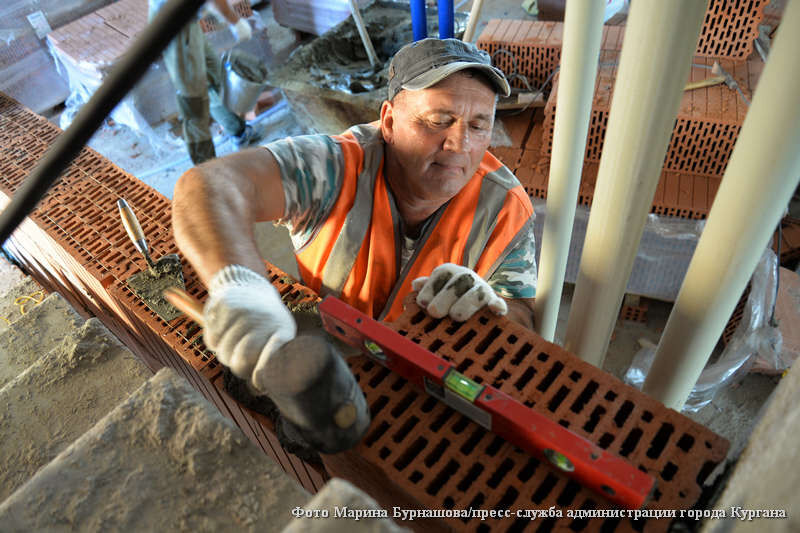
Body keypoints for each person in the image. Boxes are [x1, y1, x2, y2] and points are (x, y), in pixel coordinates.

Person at [172, 38, 537, 390]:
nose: (461, 145)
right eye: (439, 120)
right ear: (389, 123)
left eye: (478, 126)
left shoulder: (504, 208)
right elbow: (206, 186)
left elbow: (522, 323)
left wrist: (491, 313)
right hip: (331, 363)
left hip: (427, 378)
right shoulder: (337, 168)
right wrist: (240, 286)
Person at [148, 0, 260, 164]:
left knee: (213, 76)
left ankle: (239, 132)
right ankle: (206, 167)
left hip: (186, 22)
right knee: (194, 101)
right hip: (170, 29)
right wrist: (235, 22)